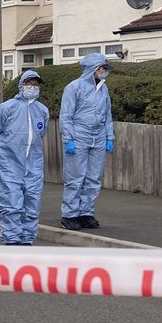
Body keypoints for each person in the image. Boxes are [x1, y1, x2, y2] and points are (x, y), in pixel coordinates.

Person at [0, 70, 49, 246]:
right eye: (29, 84)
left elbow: (40, 134)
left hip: (33, 166)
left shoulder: (42, 111)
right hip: (10, 166)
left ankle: (27, 242)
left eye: (36, 85)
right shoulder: (7, 108)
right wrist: (7, 149)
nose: (33, 88)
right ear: (21, 85)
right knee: (11, 205)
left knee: (31, 207)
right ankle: (12, 241)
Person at [59, 54, 114, 230]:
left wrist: (109, 136)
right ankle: (69, 214)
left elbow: (107, 115)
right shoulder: (74, 88)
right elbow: (66, 115)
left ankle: (86, 212)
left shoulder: (103, 89)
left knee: (93, 177)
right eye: (102, 68)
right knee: (75, 178)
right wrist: (69, 139)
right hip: (78, 136)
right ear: (93, 69)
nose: (104, 72)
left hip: (97, 137)